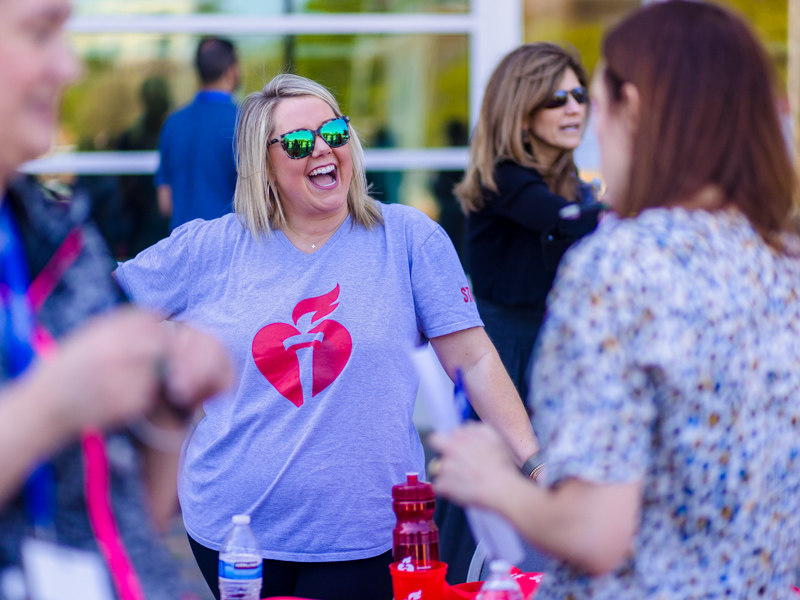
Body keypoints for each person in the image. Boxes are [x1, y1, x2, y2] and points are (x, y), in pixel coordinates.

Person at [115, 73, 539, 600]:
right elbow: (101, 309)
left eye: (334, 133)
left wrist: (536, 462)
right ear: (262, 164)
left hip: (372, 534)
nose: (322, 149)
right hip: (235, 532)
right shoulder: (214, 248)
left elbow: (473, 359)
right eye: (297, 142)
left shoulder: (408, 238)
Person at [432, 2, 800, 598]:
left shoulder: (620, 268)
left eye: (593, 101)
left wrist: (496, 481)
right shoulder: (783, 261)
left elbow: (594, 533)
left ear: (633, 108)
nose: (586, 121)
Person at [0, 1, 232, 598]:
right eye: (40, 33)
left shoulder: (66, 235)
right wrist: (49, 405)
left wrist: (168, 406)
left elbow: (126, 519)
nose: (70, 68)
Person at [455, 43, 599, 404]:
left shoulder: (570, 180)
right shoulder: (503, 177)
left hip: (554, 344)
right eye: (556, 99)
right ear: (520, 115)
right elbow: (563, 220)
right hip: (506, 353)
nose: (574, 108)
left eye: (580, 96)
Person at [156, 37, 239, 231]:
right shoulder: (244, 121)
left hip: (181, 246)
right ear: (232, 70)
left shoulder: (173, 122)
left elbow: (165, 204)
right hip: (226, 248)